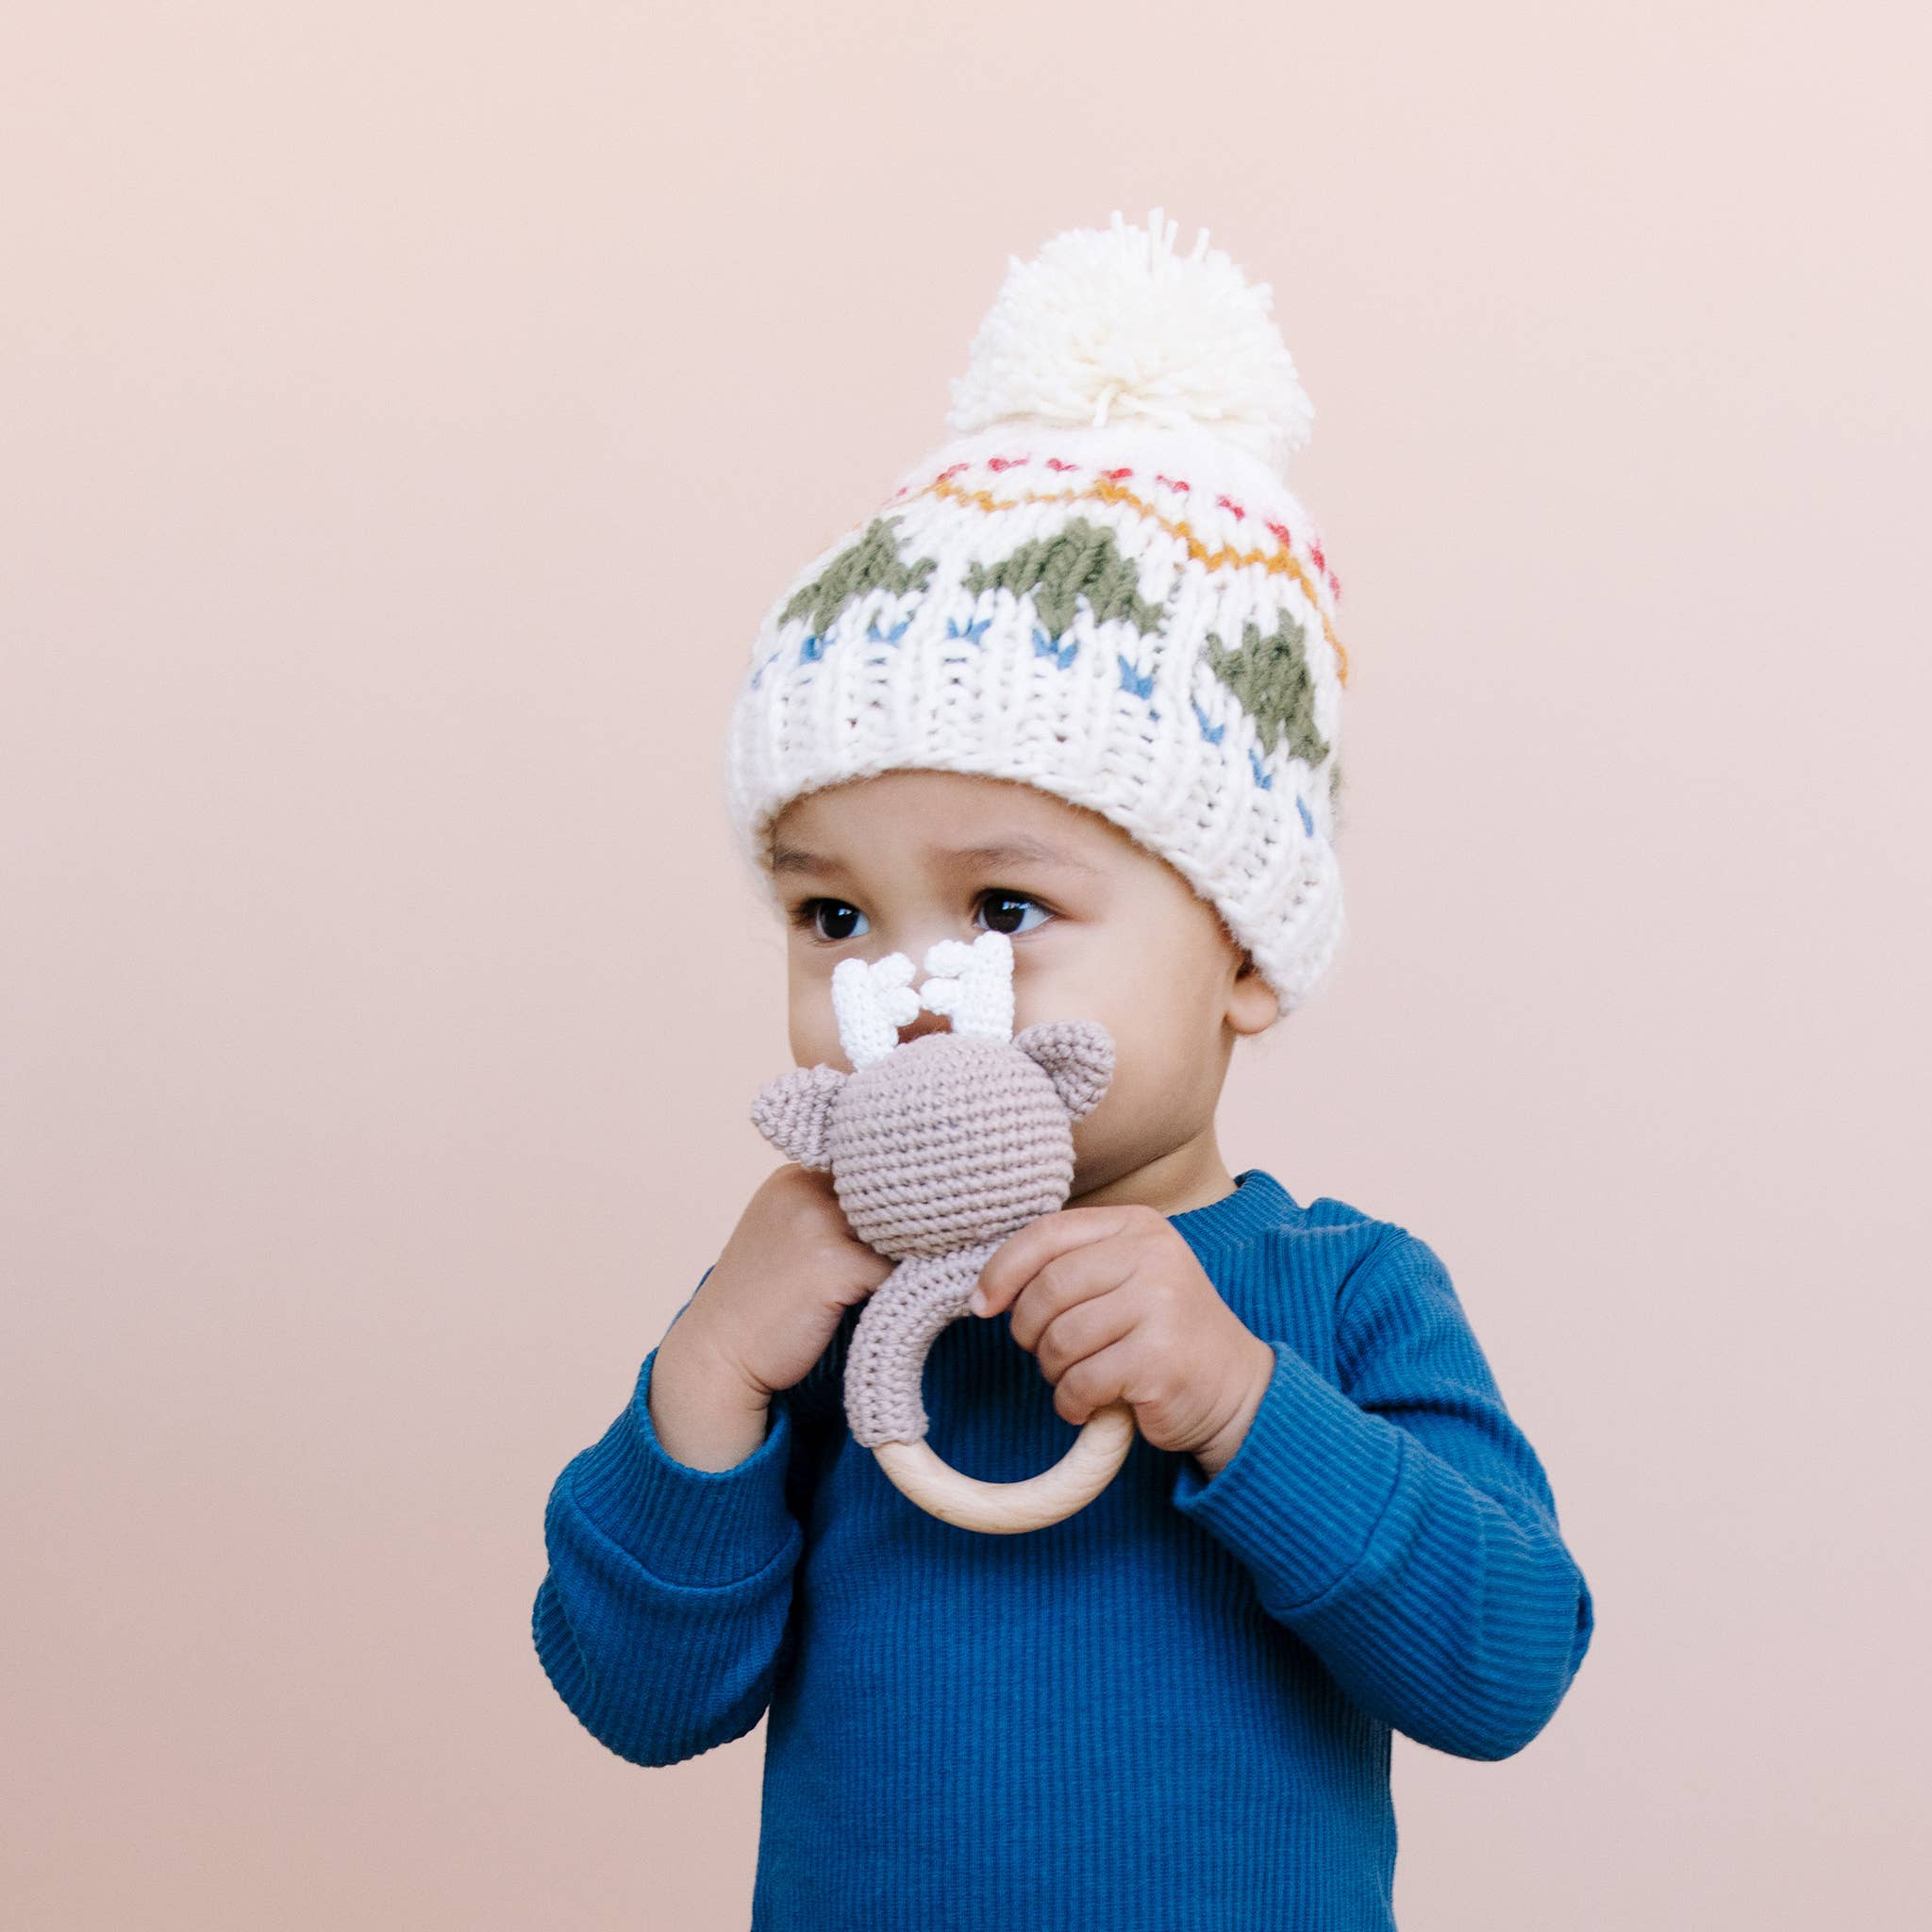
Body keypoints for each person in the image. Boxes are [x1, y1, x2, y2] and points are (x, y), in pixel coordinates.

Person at [531, 208, 1594, 1930]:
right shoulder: (808, 1303)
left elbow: (1509, 1662)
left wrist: (1246, 1405)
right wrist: (711, 1373)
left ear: (1245, 954)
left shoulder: (1342, 1300)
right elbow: (636, 1697)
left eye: (1005, 904)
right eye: (831, 917)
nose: (907, 989)